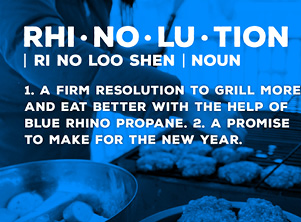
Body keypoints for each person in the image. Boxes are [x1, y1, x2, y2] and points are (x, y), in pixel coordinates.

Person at [0, 0, 245, 167]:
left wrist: (122, 51)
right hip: (18, 145)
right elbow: (45, 52)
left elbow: (80, 35)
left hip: (73, 136)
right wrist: (182, 102)